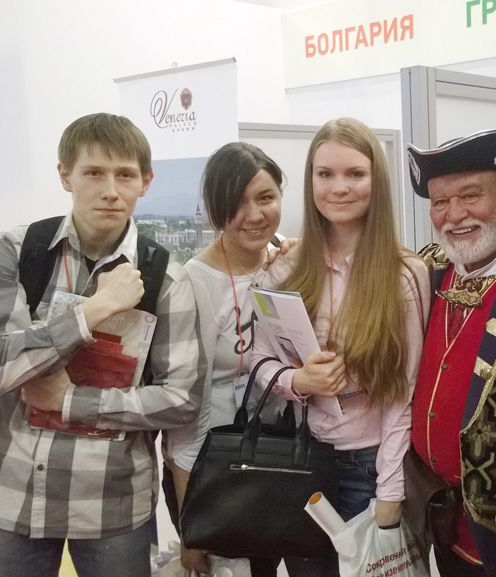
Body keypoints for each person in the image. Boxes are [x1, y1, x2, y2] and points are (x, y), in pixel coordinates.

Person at [0, 113, 203, 577]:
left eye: (125, 175)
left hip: (110, 502)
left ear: (145, 182)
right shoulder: (18, 252)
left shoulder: (164, 278)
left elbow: (180, 399)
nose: (110, 191)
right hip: (16, 491)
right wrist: (94, 310)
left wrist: (71, 401)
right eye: (94, 173)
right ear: (65, 176)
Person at [249, 117, 430, 577]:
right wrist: (297, 381)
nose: (339, 187)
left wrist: (389, 490)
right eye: (325, 174)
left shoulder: (404, 275)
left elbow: (405, 391)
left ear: (377, 181)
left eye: (355, 174)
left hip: (369, 468)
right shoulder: (285, 267)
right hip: (302, 458)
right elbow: (256, 359)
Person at [404, 128, 496, 577]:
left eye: (470, 196)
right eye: (440, 202)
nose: (454, 215)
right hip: (433, 508)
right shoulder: (427, 268)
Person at [163, 142, 290, 576]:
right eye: (237, 203)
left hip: (273, 457)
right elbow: (185, 414)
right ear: (216, 209)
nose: (254, 215)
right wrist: (191, 525)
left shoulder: (286, 261)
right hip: (212, 470)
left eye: (266, 197)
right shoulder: (195, 284)